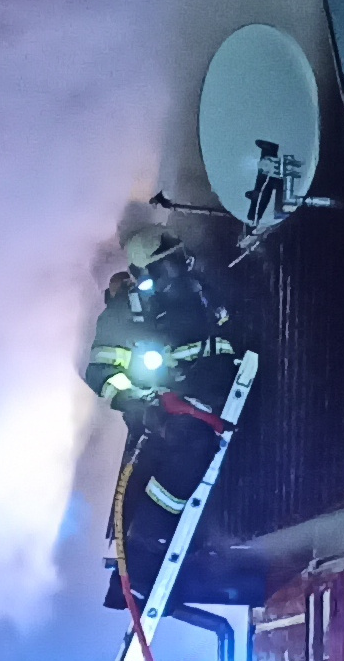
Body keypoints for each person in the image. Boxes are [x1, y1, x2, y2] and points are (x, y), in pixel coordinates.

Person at [79, 228, 241, 597]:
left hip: (217, 394)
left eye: (177, 261)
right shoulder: (125, 314)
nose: (175, 272)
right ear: (143, 275)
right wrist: (141, 403)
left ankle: (158, 550)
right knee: (189, 452)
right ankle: (147, 551)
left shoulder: (203, 290)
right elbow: (101, 372)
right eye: (163, 268)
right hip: (161, 411)